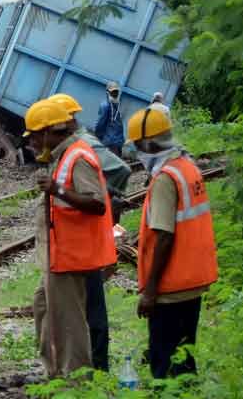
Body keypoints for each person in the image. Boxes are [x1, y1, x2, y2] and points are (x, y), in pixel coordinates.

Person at [24, 99, 116, 378]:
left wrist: (58, 190)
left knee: (70, 323)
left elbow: (96, 203)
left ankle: (77, 381)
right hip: (60, 256)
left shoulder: (78, 156)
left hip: (71, 257)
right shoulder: (64, 155)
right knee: (44, 307)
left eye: (35, 136)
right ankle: (55, 372)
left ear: (49, 132)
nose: (33, 142)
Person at [127, 107, 217, 379]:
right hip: (192, 279)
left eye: (137, 145)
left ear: (150, 144)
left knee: (164, 363)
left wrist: (150, 291)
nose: (136, 151)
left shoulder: (165, 178)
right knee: (185, 357)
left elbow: (164, 235)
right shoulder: (187, 167)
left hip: (171, 285)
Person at [49, 92, 131, 371]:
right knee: (85, 308)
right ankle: (86, 367)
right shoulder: (72, 148)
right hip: (76, 247)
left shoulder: (82, 148)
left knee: (92, 312)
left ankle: (96, 368)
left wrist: (109, 200)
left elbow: (114, 176)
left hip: (85, 247)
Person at [93, 81, 125, 157]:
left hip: (117, 141)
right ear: (107, 92)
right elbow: (100, 124)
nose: (115, 94)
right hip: (110, 142)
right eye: (113, 92)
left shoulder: (116, 104)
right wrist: (98, 136)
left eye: (116, 92)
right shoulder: (105, 106)